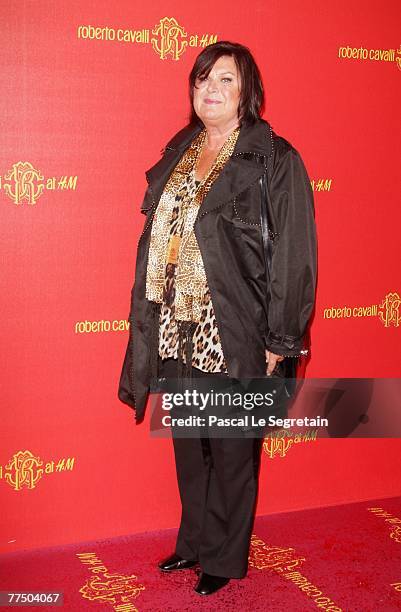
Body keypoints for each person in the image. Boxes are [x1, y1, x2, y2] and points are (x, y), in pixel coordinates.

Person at [118, 41, 317, 596]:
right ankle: (195, 543)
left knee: (231, 448)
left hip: (234, 326)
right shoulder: (181, 149)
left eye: (225, 80)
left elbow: (294, 254)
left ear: (246, 92)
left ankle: (224, 560)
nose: (211, 89)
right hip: (177, 325)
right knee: (190, 442)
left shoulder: (274, 158)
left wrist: (282, 334)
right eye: (203, 78)